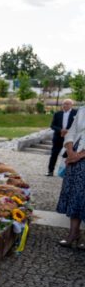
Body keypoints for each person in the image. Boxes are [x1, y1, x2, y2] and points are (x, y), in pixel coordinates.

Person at [56, 108, 85, 248]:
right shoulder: (82, 110)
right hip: (74, 159)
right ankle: (74, 233)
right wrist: (70, 151)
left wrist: (78, 155)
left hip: (80, 158)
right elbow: (71, 132)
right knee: (75, 196)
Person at [48, 98, 78, 176]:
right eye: (64, 104)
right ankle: (50, 171)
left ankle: (67, 173)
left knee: (68, 155)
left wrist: (68, 131)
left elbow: (78, 125)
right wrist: (61, 130)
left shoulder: (76, 113)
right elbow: (52, 125)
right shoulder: (58, 114)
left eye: (67, 104)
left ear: (71, 105)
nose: (65, 105)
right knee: (54, 154)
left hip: (70, 138)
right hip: (58, 137)